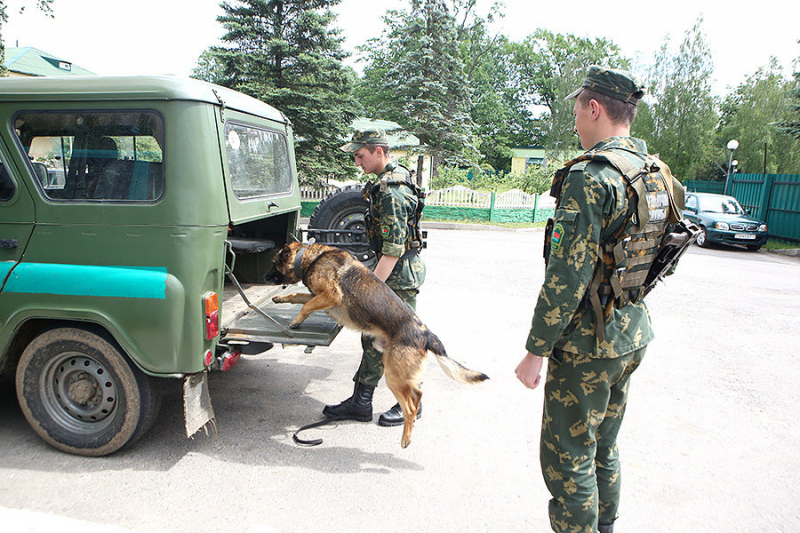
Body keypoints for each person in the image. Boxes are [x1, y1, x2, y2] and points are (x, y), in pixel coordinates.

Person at [515, 66, 684, 533]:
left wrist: (536, 351)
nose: (574, 124)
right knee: (603, 446)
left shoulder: (591, 176)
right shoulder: (657, 172)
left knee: (568, 459)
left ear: (595, 109)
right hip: (631, 332)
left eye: (576, 113)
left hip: (588, 345)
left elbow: (566, 277)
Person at [324, 127, 426, 427]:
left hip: (398, 275)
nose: (357, 162)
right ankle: (361, 401)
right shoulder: (383, 184)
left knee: (400, 340)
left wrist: (369, 289)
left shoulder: (392, 191)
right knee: (374, 338)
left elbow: (394, 249)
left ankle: (412, 402)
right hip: (394, 273)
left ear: (378, 151)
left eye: (360, 155)